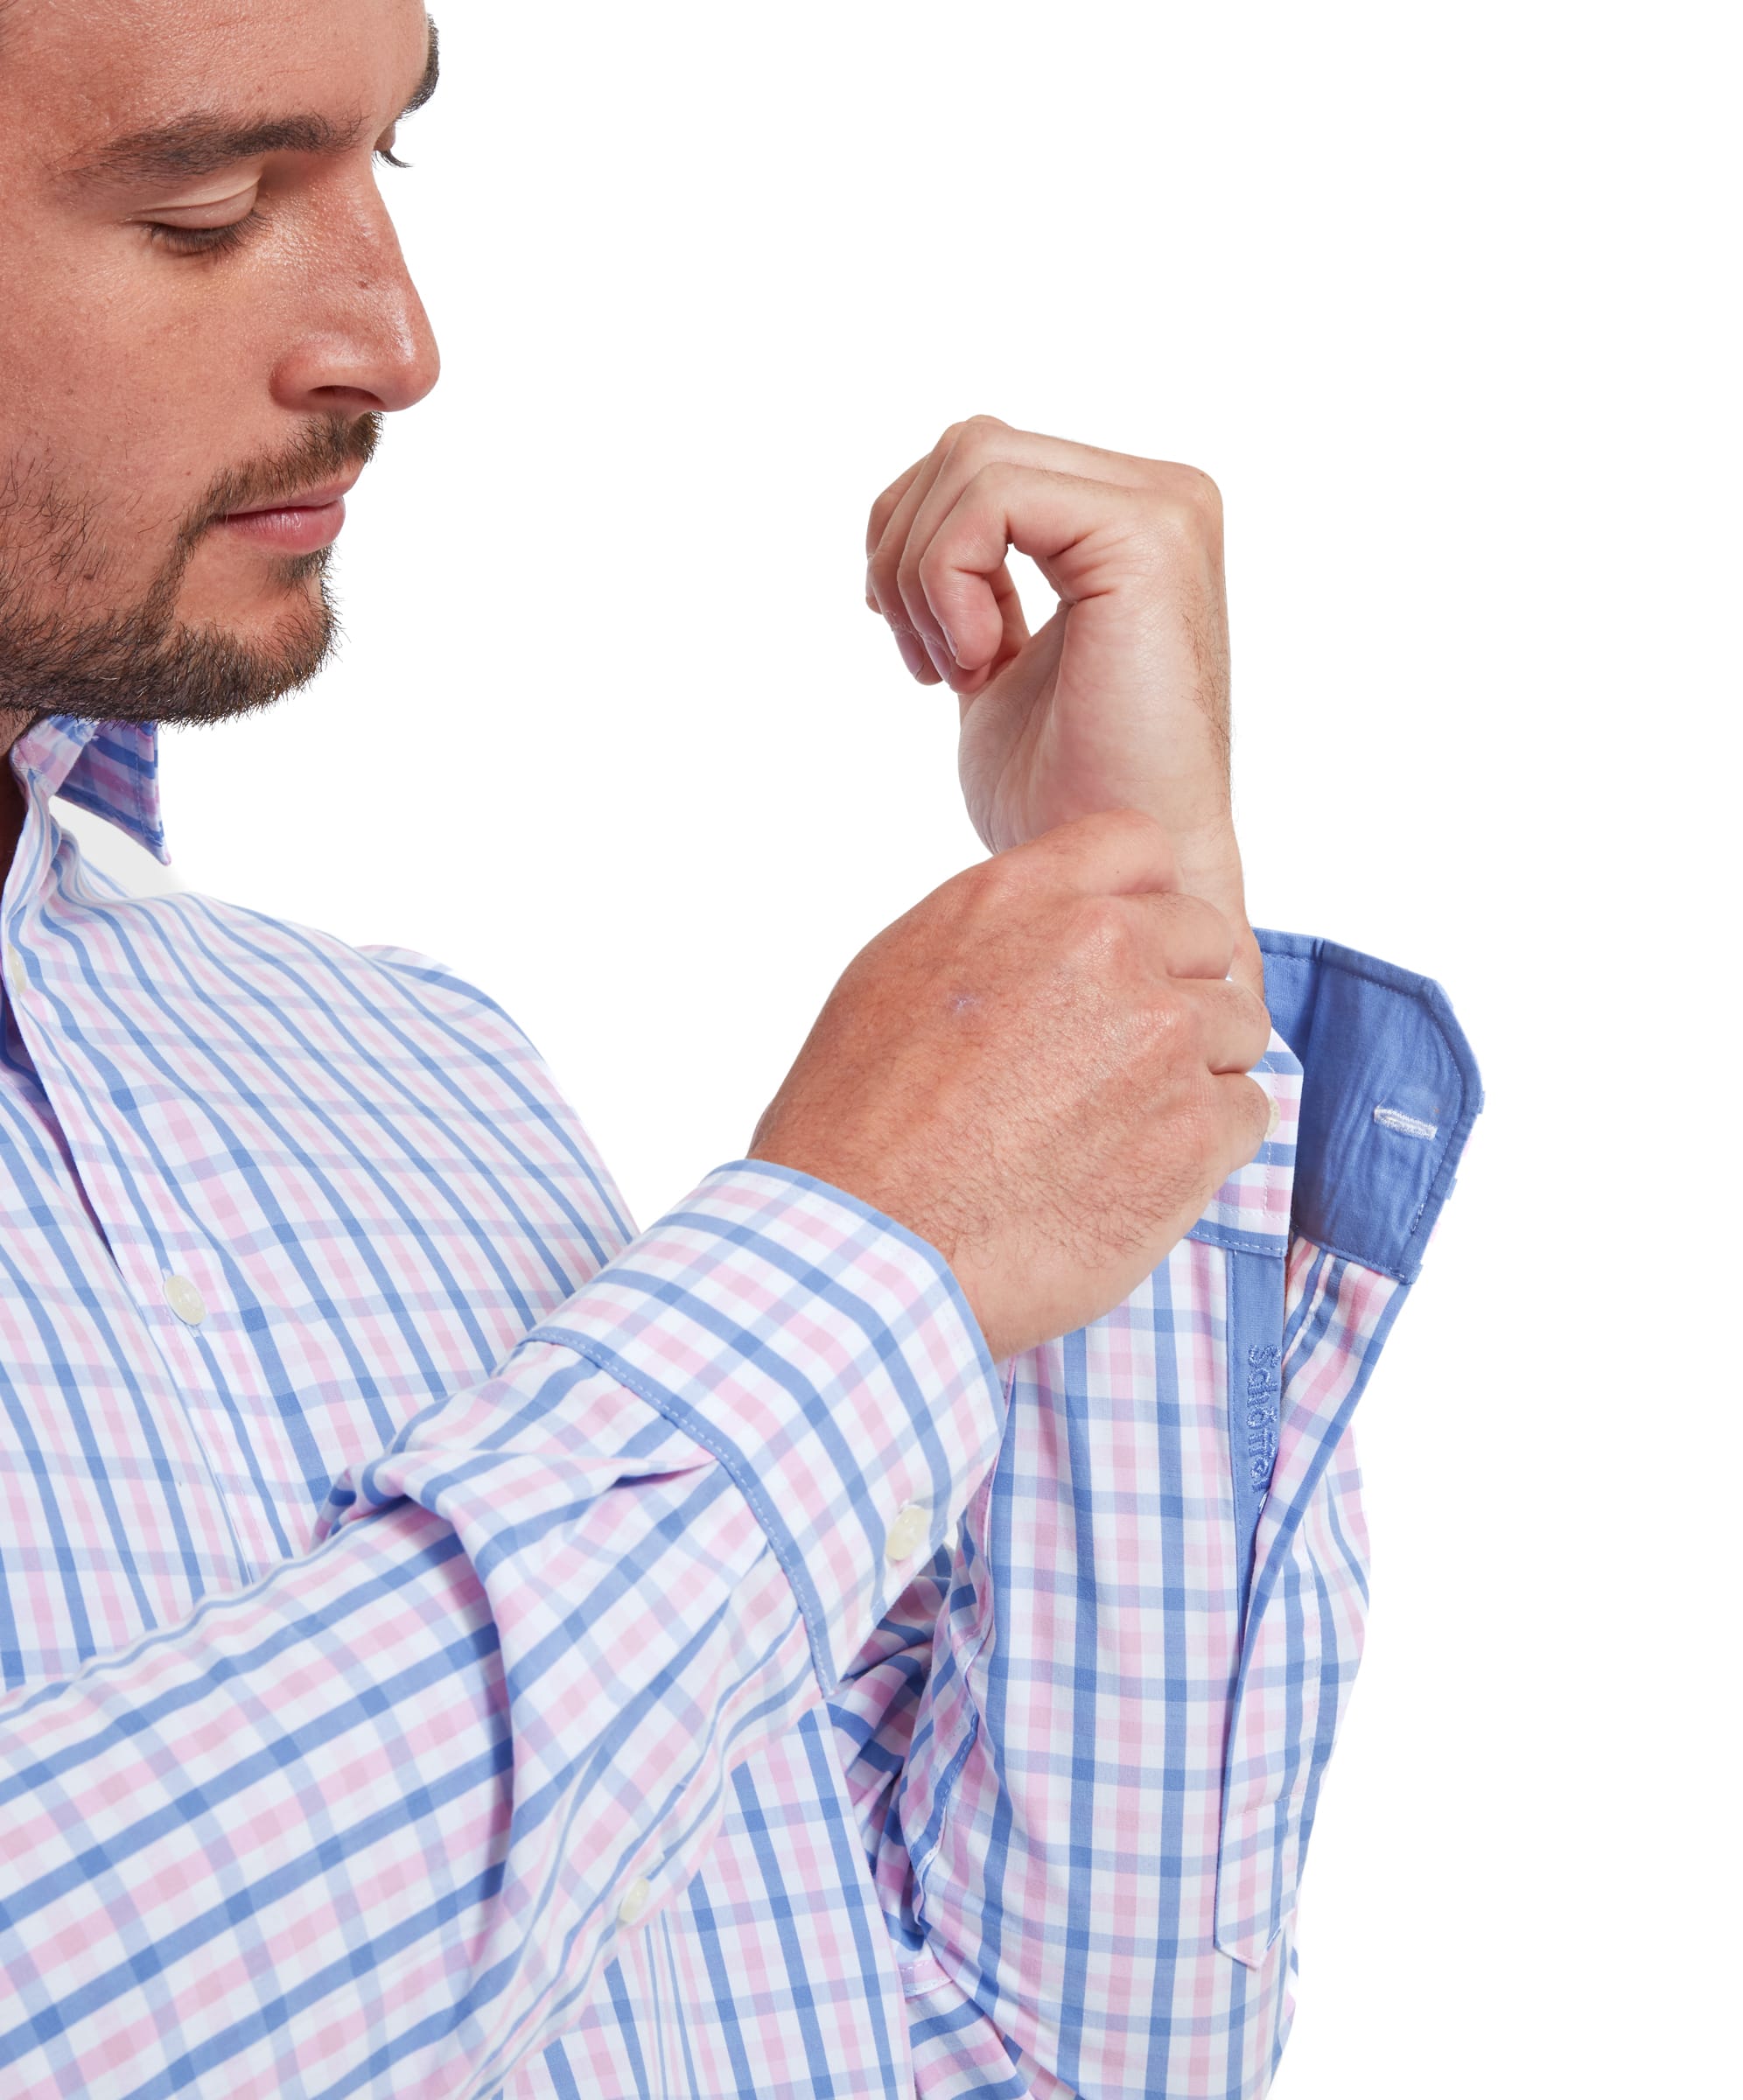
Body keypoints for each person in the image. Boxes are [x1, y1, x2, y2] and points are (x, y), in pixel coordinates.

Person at [0, 1, 1481, 2094]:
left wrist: (1121, 902)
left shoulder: (406, 1078)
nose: (397, 343)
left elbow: (991, 2054)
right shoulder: (754, 1301)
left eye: (382, 169)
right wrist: (851, 1277)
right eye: (209, 209)